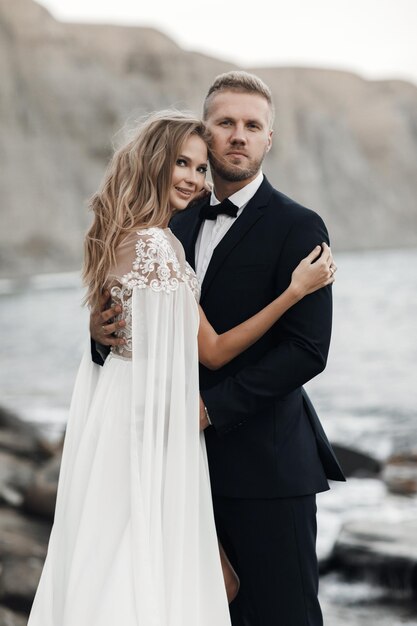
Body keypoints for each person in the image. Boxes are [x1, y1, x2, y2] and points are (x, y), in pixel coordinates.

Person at [28, 110, 335, 626]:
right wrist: (293, 292)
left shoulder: (290, 224)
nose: (193, 178)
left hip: (215, 442)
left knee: (134, 562)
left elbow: (308, 350)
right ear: (158, 160)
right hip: (156, 425)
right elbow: (203, 348)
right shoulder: (165, 235)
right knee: (148, 572)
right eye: (182, 163)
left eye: (197, 168)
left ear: (270, 138)